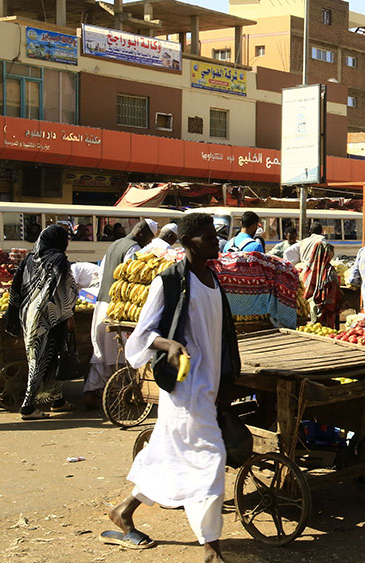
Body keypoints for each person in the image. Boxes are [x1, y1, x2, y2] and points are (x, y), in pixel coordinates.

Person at [100, 213, 239, 561]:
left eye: (215, 236)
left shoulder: (213, 280)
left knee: (169, 456)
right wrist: (169, 345)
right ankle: (211, 548)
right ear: (188, 242)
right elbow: (141, 335)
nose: (215, 242)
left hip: (209, 384)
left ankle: (123, 511)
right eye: (208, 237)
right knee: (211, 459)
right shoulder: (170, 281)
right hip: (185, 389)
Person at [6, 225, 79, 420]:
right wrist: (69, 315)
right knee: (39, 361)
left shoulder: (30, 259)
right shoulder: (58, 260)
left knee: (51, 356)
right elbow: (64, 290)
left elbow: (18, 285)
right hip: (51, 317)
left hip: (30, 315)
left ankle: (57, 399)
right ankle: (28, 407)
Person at [85, 221, 156, 408]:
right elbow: (130, 278)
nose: (147, 243)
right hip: (116, 307)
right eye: (148, 239)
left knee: (100, 351)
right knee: (117, 352)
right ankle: (119, 393)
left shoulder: (114, 244)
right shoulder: (133, 248)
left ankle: (92, 390)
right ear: (141, 233)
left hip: (101, 302)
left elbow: (103, 273)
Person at [299, 240, 340, 327]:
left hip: (307, 308)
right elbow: (333, 289)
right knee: (324, 330)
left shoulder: (307, 268)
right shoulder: (329, 271)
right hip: (324, 310)